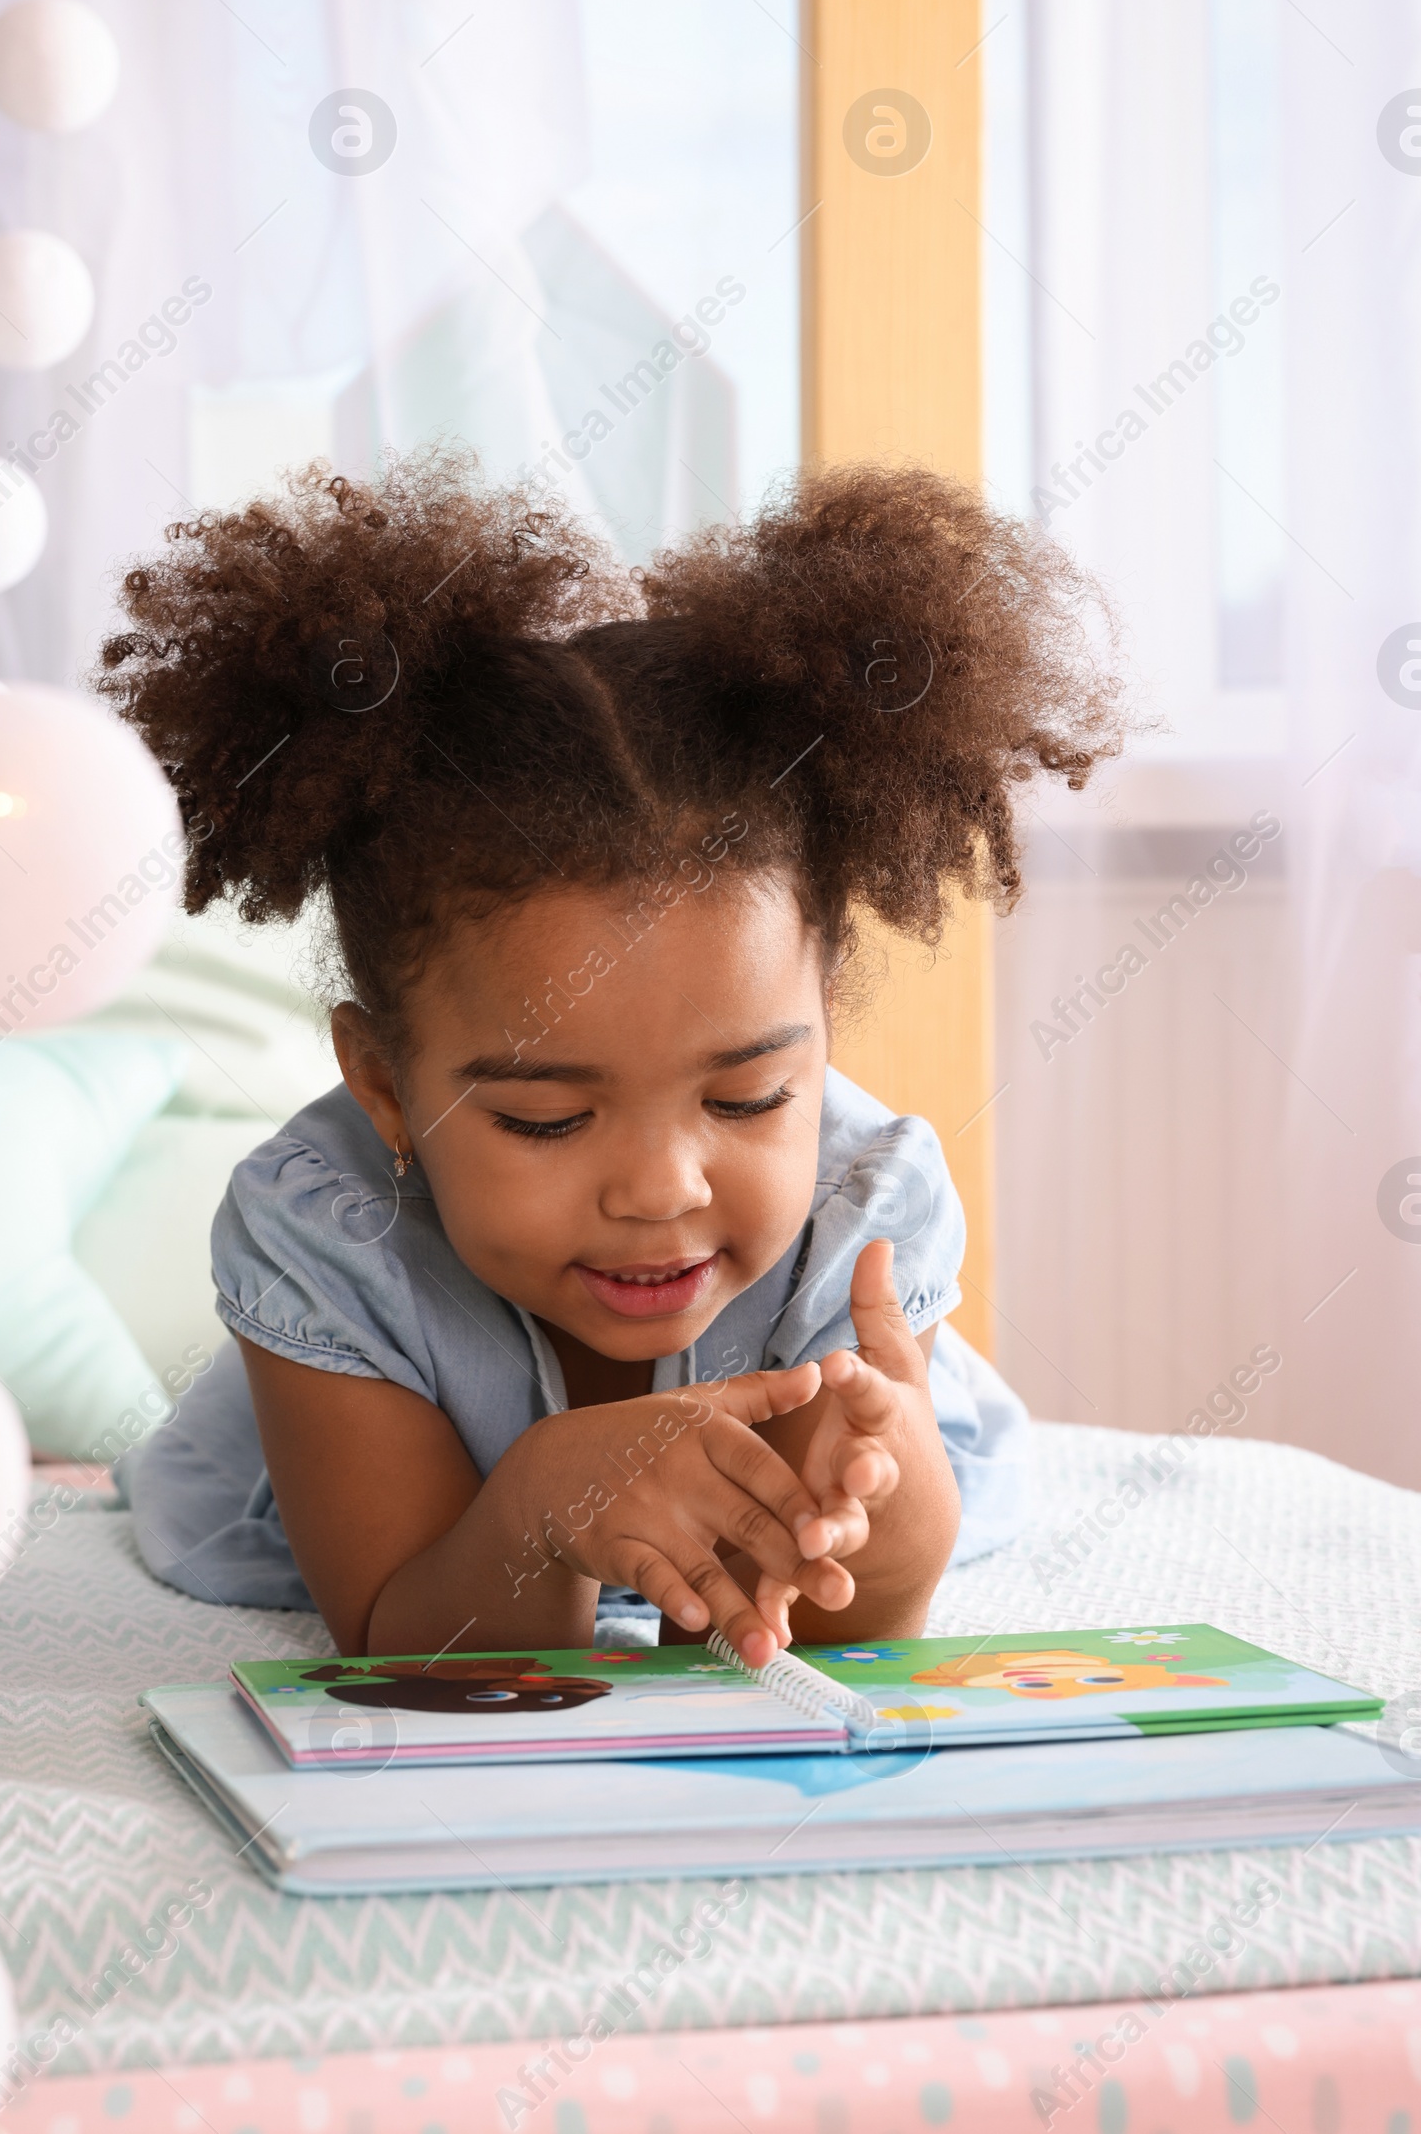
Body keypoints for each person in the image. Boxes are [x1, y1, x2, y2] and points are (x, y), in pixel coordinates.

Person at [102, 452, 1122, 1666]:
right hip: (410, 1550)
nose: (662, 1187)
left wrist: (869, 1498)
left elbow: (842, 1627)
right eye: (544, 1116)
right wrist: (544, 1510)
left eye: (747, 1095)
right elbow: (411, 1639)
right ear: (384, 1085)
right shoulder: (322, 1232)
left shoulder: (861, 1205)